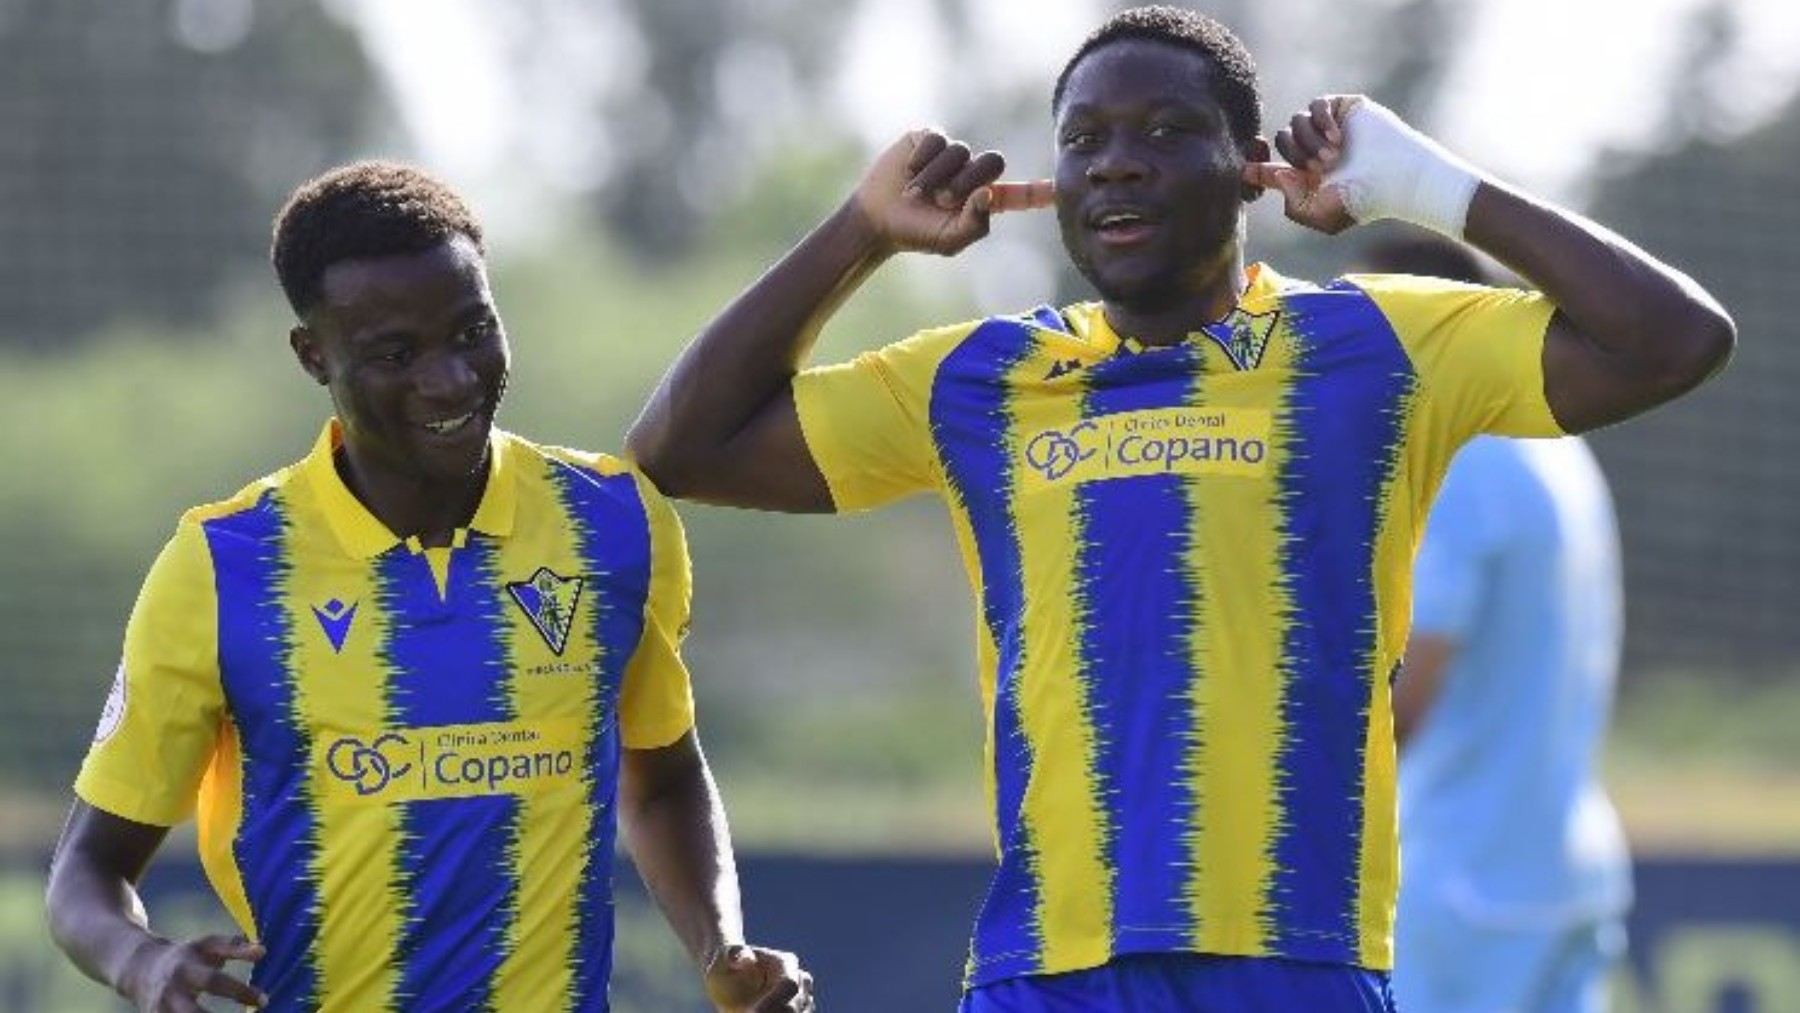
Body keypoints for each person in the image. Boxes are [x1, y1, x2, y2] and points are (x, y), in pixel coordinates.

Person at [626, 5, 1732, 1010]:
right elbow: (681, 444)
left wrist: (1430, 185)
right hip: (1044, 972)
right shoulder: (983, 375)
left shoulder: (1373, 347)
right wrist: (860, 231)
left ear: (1248, 167)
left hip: (1294, 966)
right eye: (1085, 139)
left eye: (1164, 133)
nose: (1118, 166)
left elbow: (1676, 339)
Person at [44, 161, 814, 1013]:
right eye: (395, 353)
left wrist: (720, 943)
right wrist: (140, 960)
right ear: (314, 355)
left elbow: (663, 775)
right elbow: (85, 871)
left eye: (470, 331)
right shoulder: (222, 566)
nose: (450, 379)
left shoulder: (615, 524)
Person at [1353, 231, 1632, 1013]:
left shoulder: (1462, 458)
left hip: (1466, 886)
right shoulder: (1558, 450)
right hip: (1561, 869)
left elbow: (1410, 699)